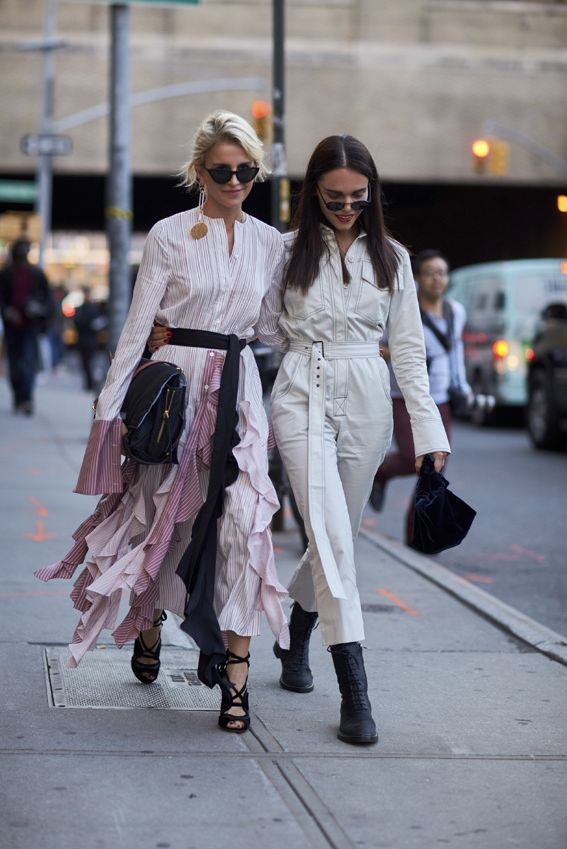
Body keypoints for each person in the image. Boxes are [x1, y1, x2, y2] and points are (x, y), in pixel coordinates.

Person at [152, 135, 450, 746]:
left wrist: (428, 431)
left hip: (368, 390)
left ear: (372, 196)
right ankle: (356, 691)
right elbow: (240, 309)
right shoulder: (281, 252)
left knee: (340, 536)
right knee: (330, 532)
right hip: (299, 389)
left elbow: (412, 353)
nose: (346, 209)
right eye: (335, 198)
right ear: (313, 192)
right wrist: (173, 331)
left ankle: (298, 627)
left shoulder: (391, 258)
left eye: (357, 199)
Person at [35, 110, 291, 734]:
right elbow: (135, 324)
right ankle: (148, 620)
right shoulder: (169, 235)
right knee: (159, 519)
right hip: (173, 393)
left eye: (246, 171)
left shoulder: (269, 242)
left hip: (237, 390)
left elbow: (270, 328)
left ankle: (234, 680)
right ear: (199, 172)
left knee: (242, 526)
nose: (235, 181)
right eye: (223, 171)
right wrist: (108, 411)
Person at [369, 249, 471, 544]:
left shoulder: (455, 312)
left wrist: (461, 386)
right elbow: (378, 346)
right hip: (404, 395)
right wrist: (405, 355)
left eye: (442, 272)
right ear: (417, 279)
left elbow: (456, 352)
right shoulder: (404, 309)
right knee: (415, 459)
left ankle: (418, 536)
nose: (437, 279)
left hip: (440, 398)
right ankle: (379, 473)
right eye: (429, 273)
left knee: (434, 467)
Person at [0, 237, 52, 415]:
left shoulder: (36, 274)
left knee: (28, 362)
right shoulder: (6, 273)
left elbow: (47, 300)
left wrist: (37, 308)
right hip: (12, 326)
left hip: (30, 325)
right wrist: (7, 311)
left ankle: (27, 399)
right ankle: (18, 397)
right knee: (15, 364)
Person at [73, 286, 107, 391]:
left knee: (90, 363)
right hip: (84, 338)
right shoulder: (81, 308)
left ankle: (90, 383)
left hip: (90, 339)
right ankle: (89, 383)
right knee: (85, 363)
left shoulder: (92, 308)